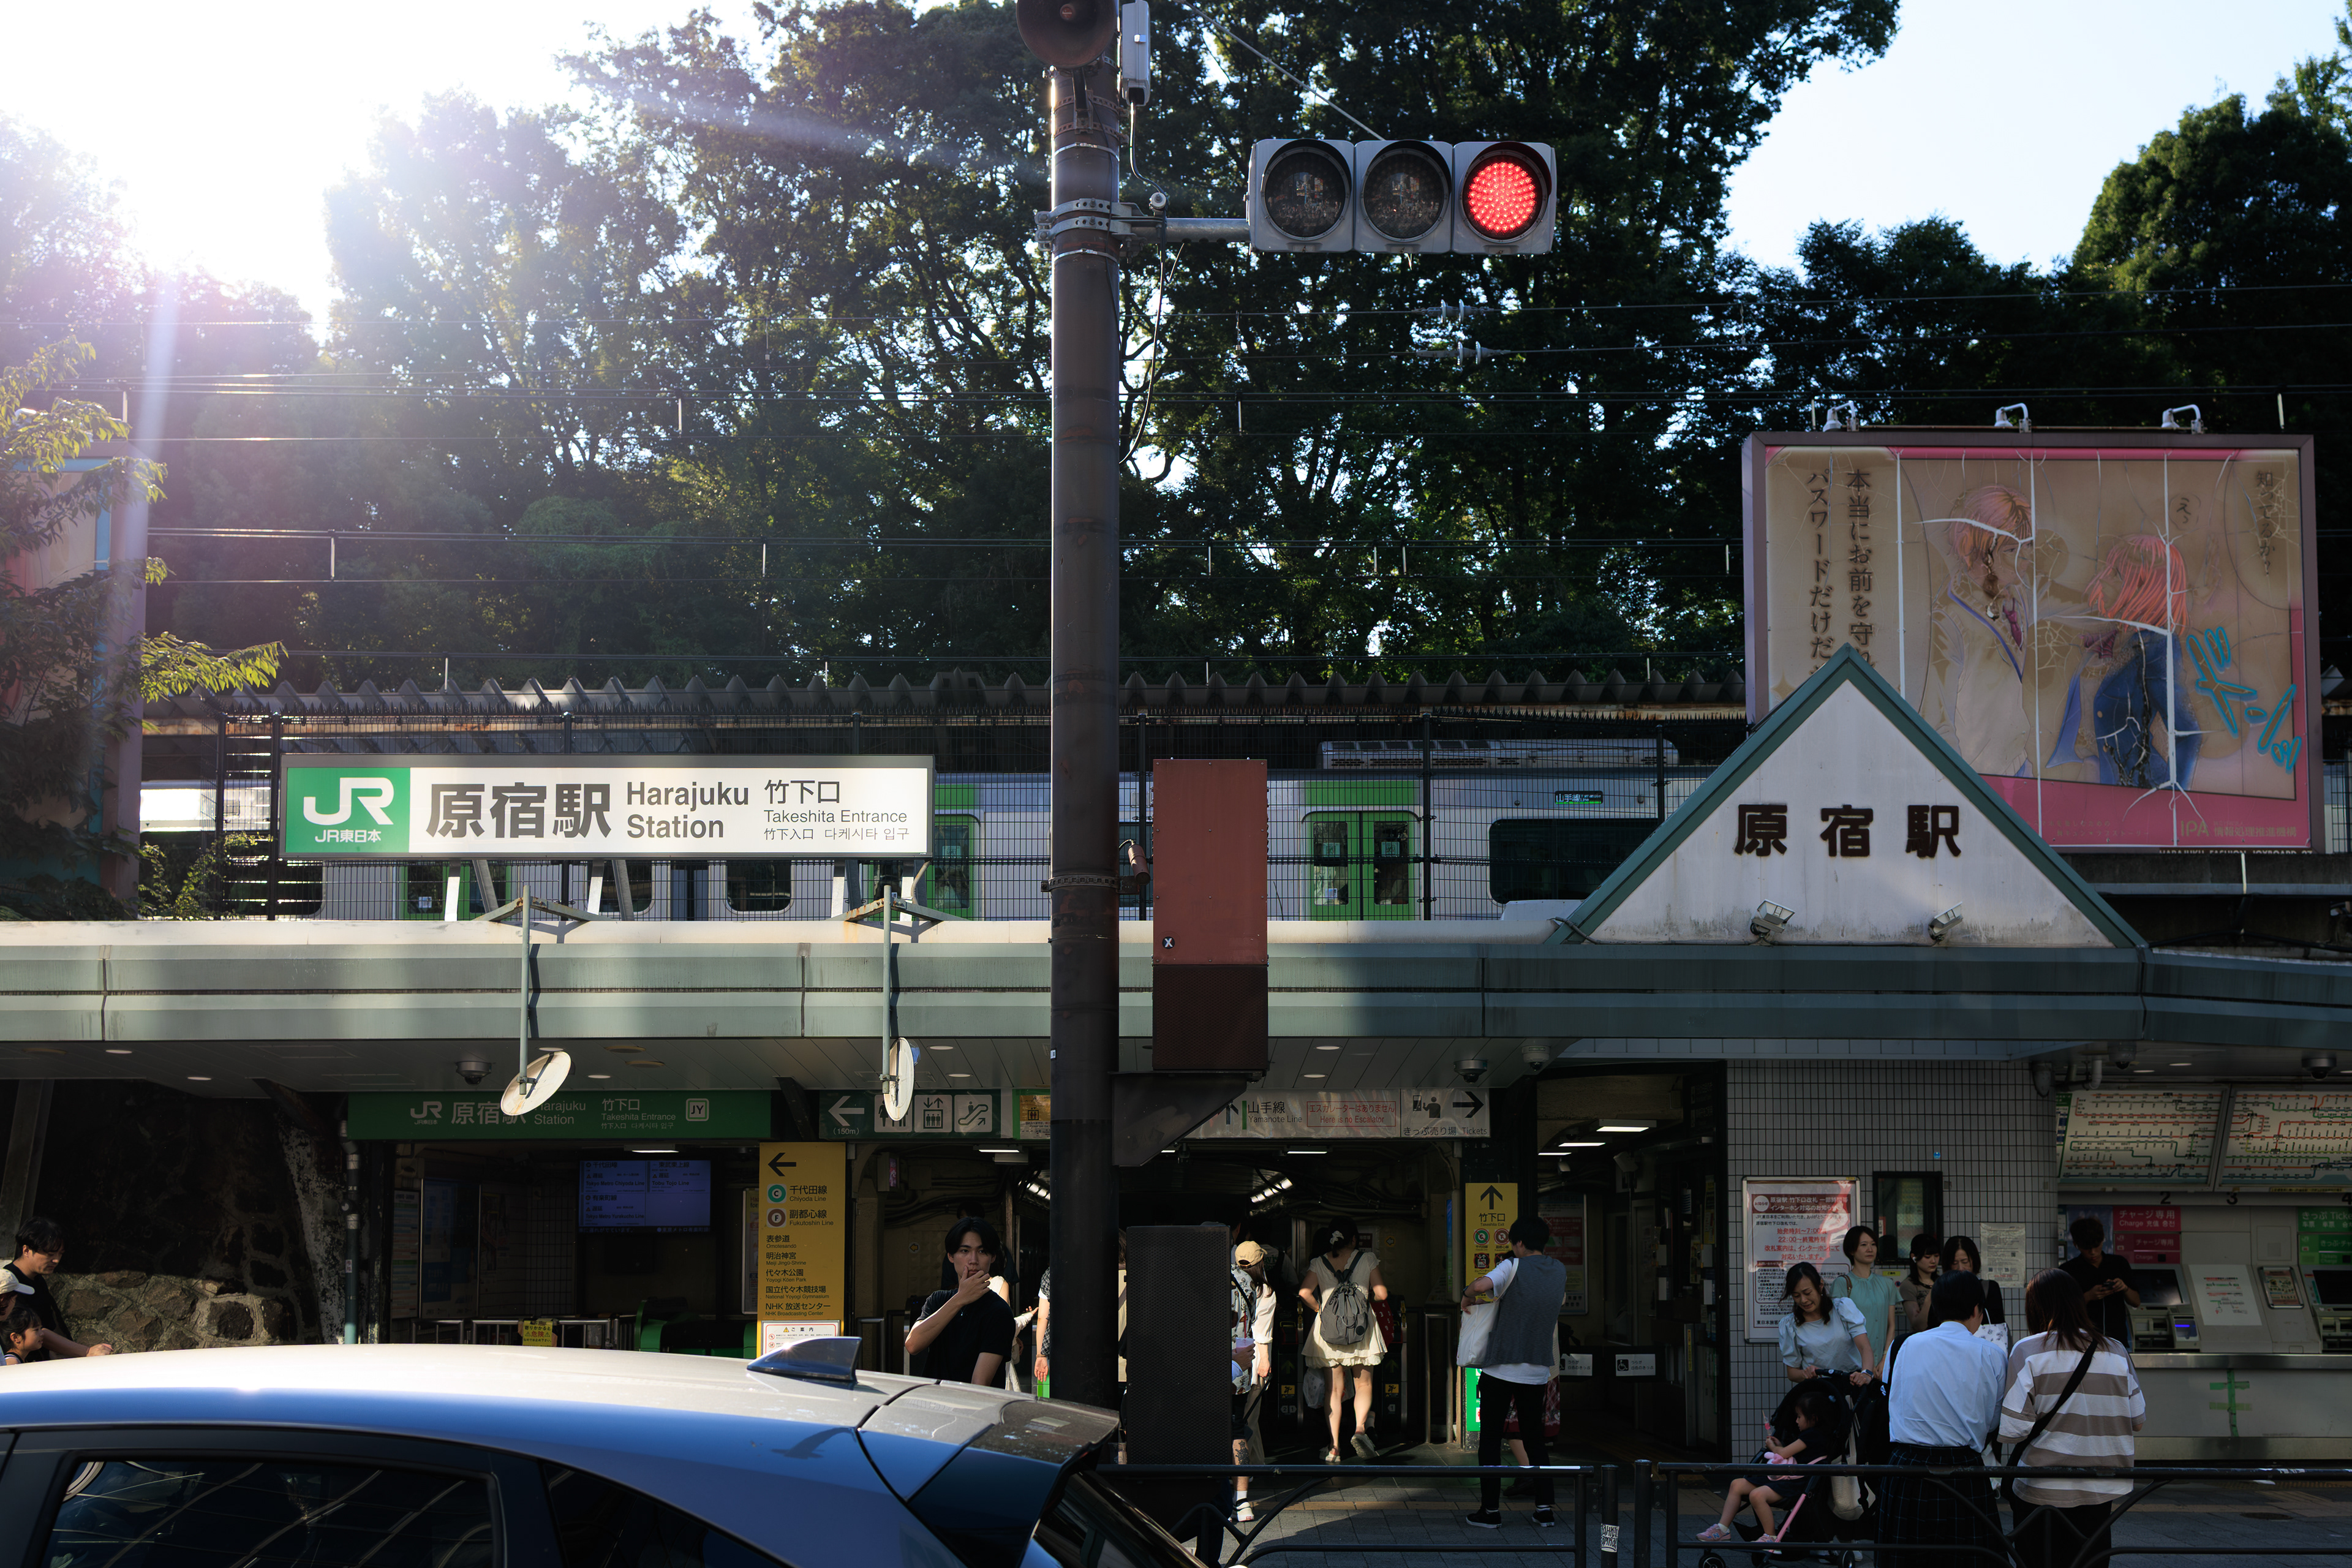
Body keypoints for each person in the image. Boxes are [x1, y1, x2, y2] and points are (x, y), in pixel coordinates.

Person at [1999, 1268, 2145, 1568]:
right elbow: (2138, 1419)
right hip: (2103, 1485)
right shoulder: (2116, 1350)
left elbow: (2014, 1430)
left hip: (2042, 1487)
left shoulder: (2027, 1351)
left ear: (2036, 1307)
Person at [1876, 1272, 2009, 1568]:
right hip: (1964, 1470)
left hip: (1906, 1469)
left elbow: (1891, 1400)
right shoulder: (1993, 1354)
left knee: (1903, 1561)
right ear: (1978, 1310)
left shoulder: (1901, 1346)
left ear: (1935, 1304)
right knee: (1969, 1559)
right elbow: (1993, 1420)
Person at [1460, 1216, 1567, 1531]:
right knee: (1535, 1439)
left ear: (1519, 1242)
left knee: (1491, 1438)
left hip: (1502, 1366)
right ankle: (1544, 1509)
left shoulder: (1512, 1266)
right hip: (1537, 1369)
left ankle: (1490, 1512)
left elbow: (1481, 1286)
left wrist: (1467, 1294)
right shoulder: (1559, 1271)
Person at [1695, 1384, 1841, 1544]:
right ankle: (1722, 1529)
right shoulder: (1811, 1436)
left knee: (1757, 1495)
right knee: (1737, 1485)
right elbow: (1790, 1453)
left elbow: (1784, 1454)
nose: (1796, 1420)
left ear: (1814, 1418)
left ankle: (1770, 1538)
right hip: (1788, 1478)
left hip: (1796, 1484)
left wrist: (1773, 1447)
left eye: (1799, 1416)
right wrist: (1780, 1446)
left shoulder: (1814, 1435)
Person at [1299, 1218, 1387, 1464]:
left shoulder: (1319, 1262)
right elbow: (1382, 1294)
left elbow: (1304, 1293)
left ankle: (1334, 1448)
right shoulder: (1367, 1259)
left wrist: (1321, 1309)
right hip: (1362, 1331)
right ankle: (1360, 1430)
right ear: (1355, 1239)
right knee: (1363, 1385)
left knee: (1334, 1391)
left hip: (1329, 1332)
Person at [905, 1218, 1016, 1385]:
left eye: (982, 1251)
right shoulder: (938, 1300)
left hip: (972, 1408)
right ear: (951, 1256)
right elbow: (913, 1345)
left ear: (993, 1257)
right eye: (964, 1251)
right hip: (931, 1405)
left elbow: (980, 1383)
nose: (973, 1260)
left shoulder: (999, 1312)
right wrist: (960, 1299)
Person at [0, 1217, 111, 1360]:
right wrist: (87, 1351)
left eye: (60, 1254)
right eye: (51, 1254)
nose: (57, 1260)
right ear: (27, 1250)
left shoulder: (37, 1280)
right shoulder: (9, 1285)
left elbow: (47, 1326)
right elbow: (36, 1332)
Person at [1229, 1241, 1277, 1524]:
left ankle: (1221, 1490)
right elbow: (1262, 1331)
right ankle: (1243, 1500)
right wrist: (1265, 1360)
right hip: (1247, 1362)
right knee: (1241, 1426)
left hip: (1215, 1363)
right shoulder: (1263, 1289)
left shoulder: (1218, 1279)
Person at [1778, 1261, 1874, 1388]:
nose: (1803, 1300)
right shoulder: (1790, 1325)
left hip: (1852, 1383)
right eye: (1796, 1296)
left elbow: (1864, 1347)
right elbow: (1792, 1373)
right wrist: (1805, 1374)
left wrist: (1866, 1374)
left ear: (1820, 1286)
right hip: (1819, 1390)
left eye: (1807, 1293)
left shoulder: (1843, 1309)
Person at [2059, 1216, 2139, 1349]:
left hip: (2116, 1339)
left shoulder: (2118, 1263)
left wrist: (2124, 1288)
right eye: (2086, 1248)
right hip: (2081, 1341)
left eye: (2096, 1246)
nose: (2093, 1252)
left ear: (2103, 1241)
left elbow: (2136, 1302)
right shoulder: (2068, 1270)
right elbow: (2062, 1310)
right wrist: (2088, 1296)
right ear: (2076, 1245)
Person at [1830, 1226, 1903, 1366]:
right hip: (1853, 1366)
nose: (1870, 1249)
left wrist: (1885, 1360)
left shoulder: (1887, 1284)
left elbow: (1891, 1326)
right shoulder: (1842, 1284)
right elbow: (1838, 1329)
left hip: (1881, 1365)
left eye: (1873, 1244)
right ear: (1851, 1250)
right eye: (1864, 1245)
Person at [1940, 1235, 2006, 1330]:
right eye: (1955, 1263)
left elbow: (1997, 1323)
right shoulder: (1942, 1289)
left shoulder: (1989, 1288)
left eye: (1965, 1262)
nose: (1960, 1268)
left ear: (1974, 1260)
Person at [1895, 1234, 1941, 1343]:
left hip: (1943, 1340)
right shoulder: (1909, 1285)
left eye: (1936, 1256)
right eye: (1928, 1257)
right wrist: (1930, 1297)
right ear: (1914, 1257)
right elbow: (1919, 1325)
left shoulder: (1942, 1281)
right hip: (1922, 1342)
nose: (1933, 1261)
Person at [0, 1301, 40, 1365]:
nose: (42, 1334)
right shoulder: (12, 1362)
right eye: (36, 1330)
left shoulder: (21, 1359)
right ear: (16, 1338)